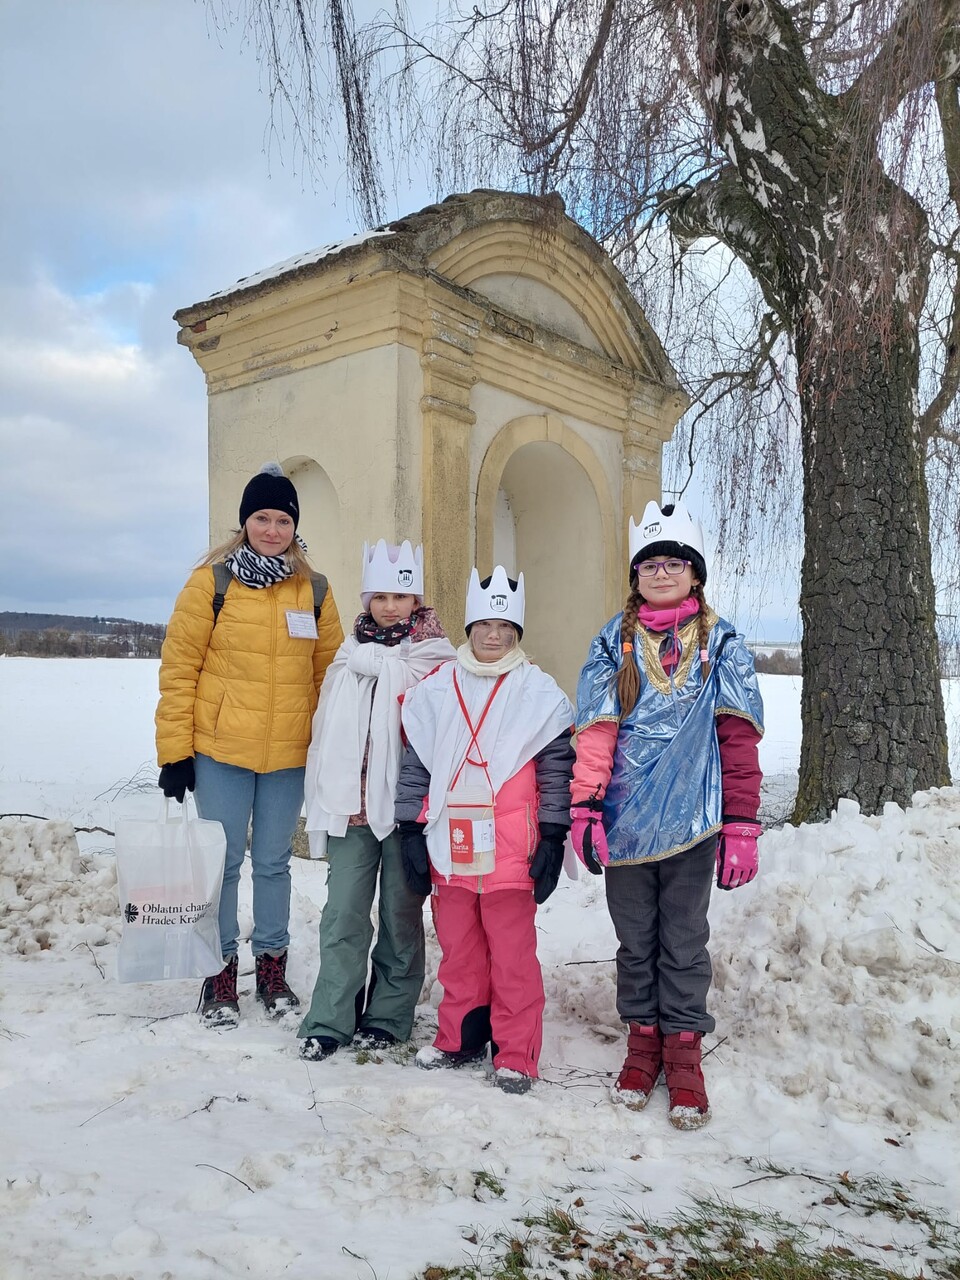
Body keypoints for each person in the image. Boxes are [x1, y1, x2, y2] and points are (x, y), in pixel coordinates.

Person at [571, 501, 763, 1129]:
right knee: (636, 941)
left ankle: (683, 1051)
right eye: (650, 564)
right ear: (636, 575)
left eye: (674, 564)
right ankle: (642, 1044)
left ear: (694, 574)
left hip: (694, 825)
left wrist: (741, 822)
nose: (661, 572)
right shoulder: (613, 641)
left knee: (682, 941)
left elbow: (737, 737)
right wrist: (586, 807)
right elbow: (596, 731)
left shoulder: (722, 642)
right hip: (625, 824)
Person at [155, 462, 343, 1028]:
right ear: (244, 523)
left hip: (288, 754)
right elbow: (179, 670)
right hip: (221, 751)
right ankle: (218, 971)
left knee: (274, 863)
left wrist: (333, 749)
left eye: (282, 520)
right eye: (262, 518)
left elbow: (330, 678)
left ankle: (271, 966)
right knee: (224, 864)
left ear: (295, 527)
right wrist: (175, 752)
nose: (272, 529)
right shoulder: (210, 585)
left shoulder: (314, 591)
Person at [395, 567, 574, 1095]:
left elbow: (556, 771)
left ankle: (515, 1052)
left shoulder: (539, 692)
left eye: (505, 627)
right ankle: (460, 1037)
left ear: (517, 631)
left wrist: (554, 833)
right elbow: (417, 762)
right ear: (470, 627)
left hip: (512, 847)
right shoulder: (438, 688)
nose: (494, 635)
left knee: (512, 954)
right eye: (484, 625)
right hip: (451, 840)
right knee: (460, 950)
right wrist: (409, 827)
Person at [297, 540, 456, 1061]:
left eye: (400, 596)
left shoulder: (435, 659)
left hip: (406, 810)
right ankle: (331, 1018)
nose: (390, 607)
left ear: (416, 601)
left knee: (399, 914)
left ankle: (388, 1016)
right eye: (381, 597)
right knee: (342, 914)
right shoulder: (350, 655)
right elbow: (325, 727)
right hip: (352, 806)